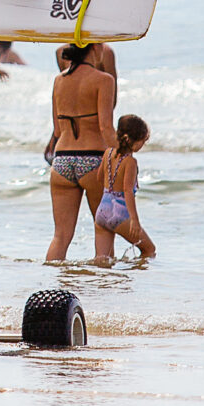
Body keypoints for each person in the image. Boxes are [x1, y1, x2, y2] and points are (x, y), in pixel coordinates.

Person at [42, 42, 117, 262]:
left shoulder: (59, 80)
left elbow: (57, 129)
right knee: (104, 229)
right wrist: (124, 155)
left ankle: (52, 286)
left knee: (60, 236)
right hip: (93, 158)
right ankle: (103, 287)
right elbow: (106, 127)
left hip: (62, 160)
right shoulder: (104, 80)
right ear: (94, 49)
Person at [93, 114, 155, 263]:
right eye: (142, 141)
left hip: (102, 210)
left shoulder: (108, 153)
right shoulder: (130, 162)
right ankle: (133, 280)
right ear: (131, 140)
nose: (143, 145)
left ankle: (100, 285)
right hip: (119, 212)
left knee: (102, 260)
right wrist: (134, 220)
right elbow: (127, 191)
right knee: (149, 250)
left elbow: (99, 178)